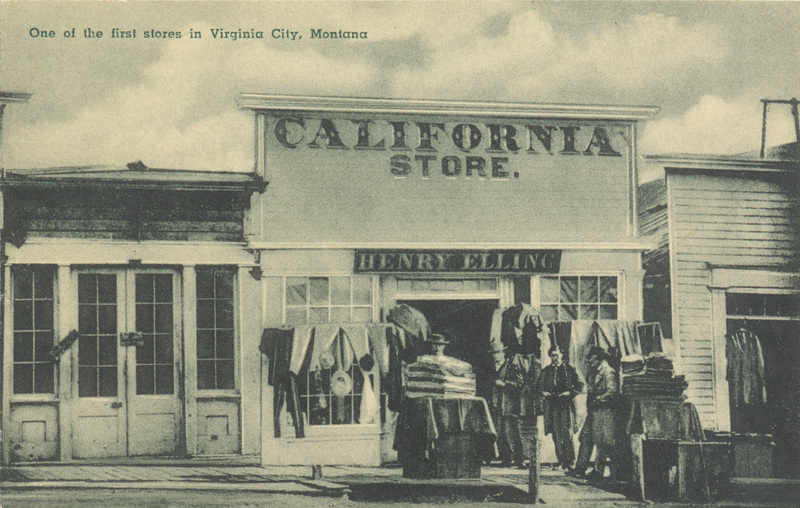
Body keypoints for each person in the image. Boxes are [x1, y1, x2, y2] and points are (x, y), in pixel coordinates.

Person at [541, 345, 584, 471]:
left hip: (566, 405)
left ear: (562, 355)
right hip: (552, 406)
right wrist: (543, 393)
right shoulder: (546, 371)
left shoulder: (570, 369)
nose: (555, 358)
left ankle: (570, 462)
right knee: (556, 434)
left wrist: (570, 393)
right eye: (552, 355)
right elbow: (538, 387)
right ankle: (561, 462)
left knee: (567, 433)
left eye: (557, 355)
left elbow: (581, 384)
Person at [584, 346, 620, 481]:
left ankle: (613, 474)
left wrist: (598, 398)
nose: (589, 361)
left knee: (609, 442)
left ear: (598, 358)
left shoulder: (608, 371)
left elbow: (611, 391)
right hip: (598, 411)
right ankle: (598, 471)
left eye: (591, 358)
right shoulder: (596, 371)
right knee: (599, 441)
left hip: (607, 411)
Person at [495, 344, 530, 468]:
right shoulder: (492, 368)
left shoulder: (512, 366)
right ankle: (506, 460)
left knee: (512, 433)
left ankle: (519, 460)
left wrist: (504, 384)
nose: (496, 355)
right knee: (501, 433)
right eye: (494, 353)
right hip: (498, 406)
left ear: (503, 353)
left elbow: (519, 383)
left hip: (510, 405)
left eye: (498, 352)